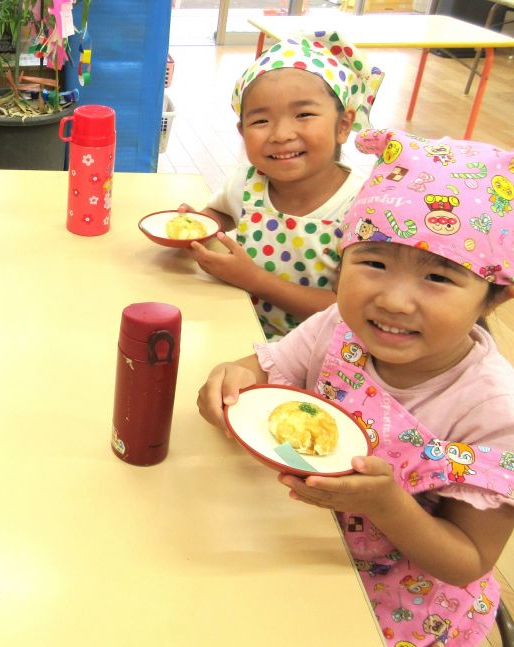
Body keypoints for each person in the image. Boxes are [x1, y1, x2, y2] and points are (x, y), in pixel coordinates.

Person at [197, 129, 514, 646]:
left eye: (438, 278)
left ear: (494, 296)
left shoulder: (493, 409)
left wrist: (386, 505)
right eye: (373, 263)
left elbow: (468, 560)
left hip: (408, 604)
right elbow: (261, 367)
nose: (393, 300)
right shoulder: (336, 328)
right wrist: (231, 381)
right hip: (300, 543)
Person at [178, 32, 383, 339]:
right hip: (237, 330)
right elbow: (219, 215)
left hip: (315, 357)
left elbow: (347, 311)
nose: (281, 134)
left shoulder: (363, 207)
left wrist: (255, 280)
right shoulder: (247, 184)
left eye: (304, 115)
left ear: (343, 125)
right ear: (242, 130)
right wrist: (194, 225)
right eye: (261, 121)